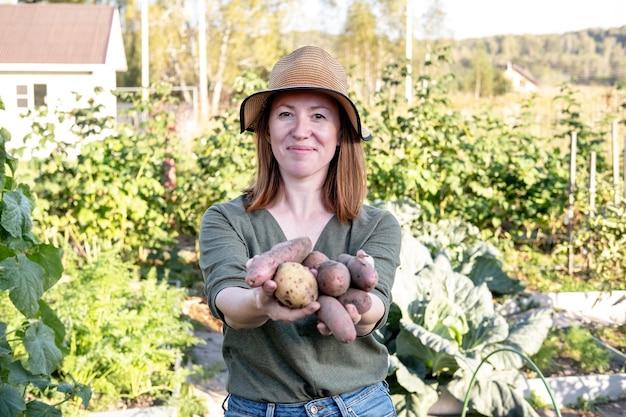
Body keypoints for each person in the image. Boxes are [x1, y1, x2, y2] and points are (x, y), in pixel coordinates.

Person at [198, 45, 402, 417]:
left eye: (319, 116)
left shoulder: (377, 226)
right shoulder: (226, 219)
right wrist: (260, 303)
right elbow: (228, 301)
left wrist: (358, 301)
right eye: (286, 114)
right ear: (267, 130)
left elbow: (376, 309)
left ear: (340, 133)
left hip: (361, 407)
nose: (301, 130)